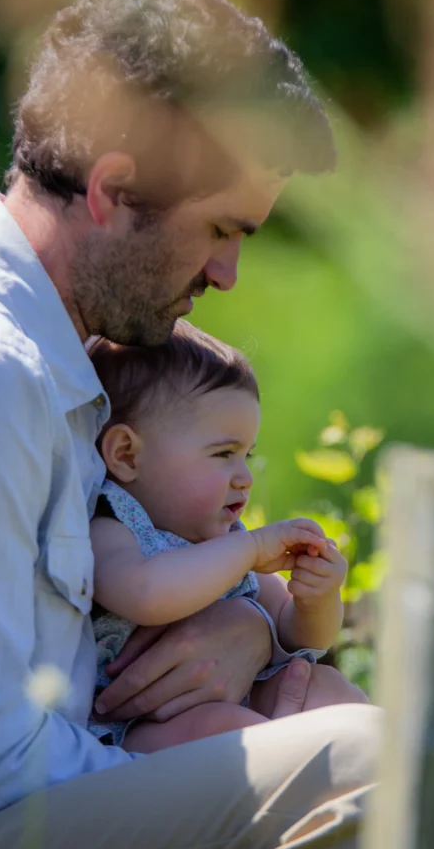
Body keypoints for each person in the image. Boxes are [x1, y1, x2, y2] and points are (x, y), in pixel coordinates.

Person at [0, 0, 434, 849]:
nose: (227, 276)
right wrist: (244, 760)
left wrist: (242, 636)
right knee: (359, 762)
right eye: (220, 229)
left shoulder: (86, 356)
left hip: (64, 803)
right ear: (111, 190)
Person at [87, 320, 368, 752]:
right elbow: (145, 593)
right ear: (126, 454)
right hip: (145, 724)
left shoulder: (222, 536)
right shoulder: (114, 527)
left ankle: (391, 791)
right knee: (227, 731)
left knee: (331, 692)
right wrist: (249, 550)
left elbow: (300, 636)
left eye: (247, 455)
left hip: (238, 692)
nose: (245, 477)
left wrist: (317, 598)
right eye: (223, 454)